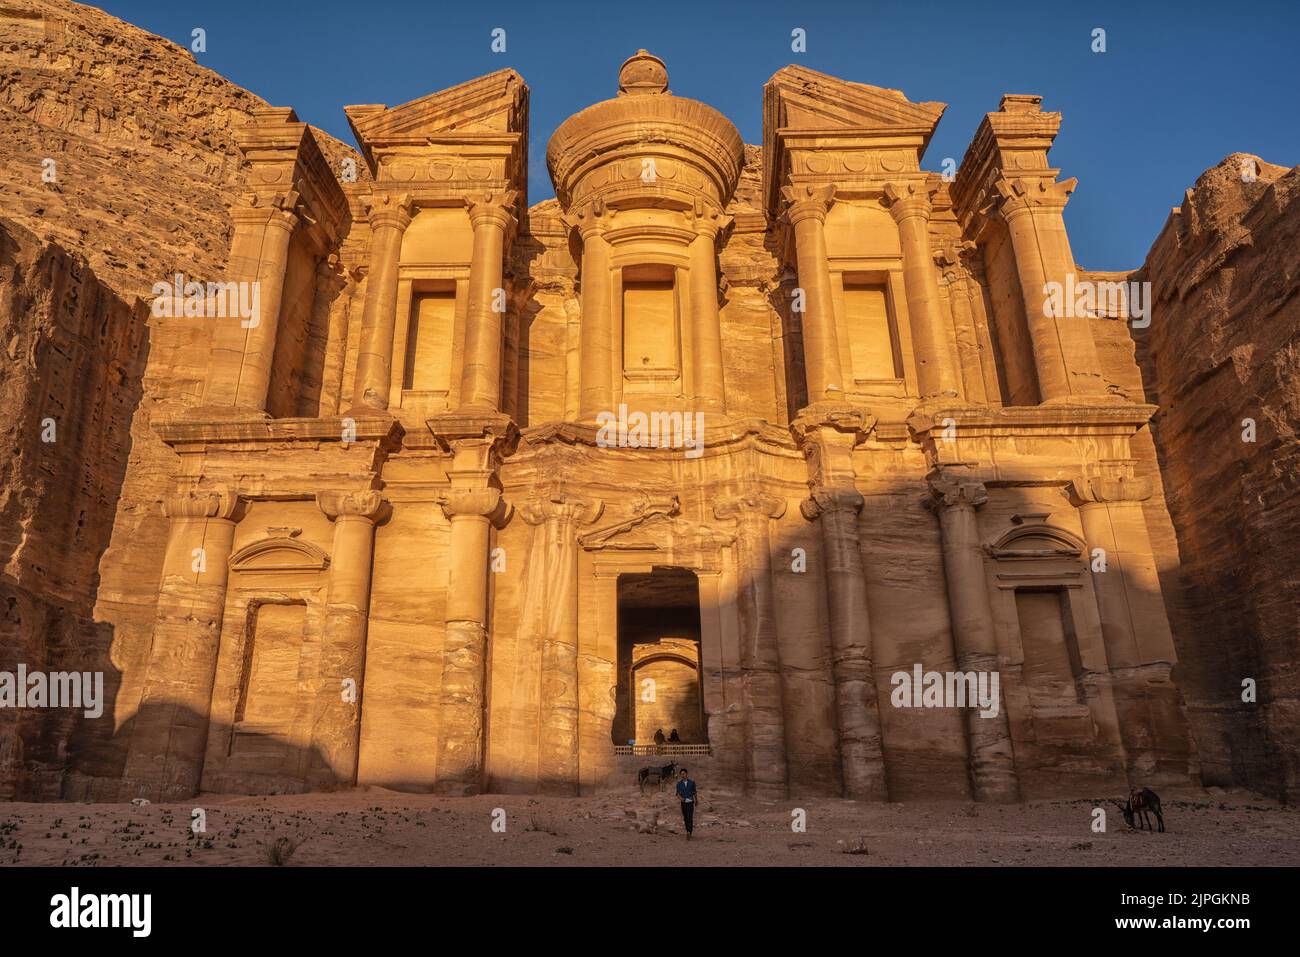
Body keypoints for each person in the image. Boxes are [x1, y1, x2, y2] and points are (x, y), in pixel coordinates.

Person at [676, 768, 698, 839]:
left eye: (684, 773)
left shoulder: (692, 782)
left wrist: (696, 800)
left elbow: (694, 792)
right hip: (683, 802)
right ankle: (687, 831)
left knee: (690, 817)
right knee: (685, 817)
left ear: (686, 774)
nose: (683, 775)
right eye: (681, 774)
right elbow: (678, 793)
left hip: (690, 802)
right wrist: (681, 798)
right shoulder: (679, 784)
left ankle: (689, 832)